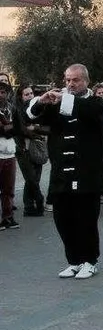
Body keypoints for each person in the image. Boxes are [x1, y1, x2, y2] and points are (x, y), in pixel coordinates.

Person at [26, 64, 103, 278]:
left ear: (86, 81)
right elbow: (32, 117)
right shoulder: (58, 102)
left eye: (76, 80)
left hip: (87, 172)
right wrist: (40, 101)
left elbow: (88, 112)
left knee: (86, 218)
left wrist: (64, 99)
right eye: (68, 80)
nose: (70, 84)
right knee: (62, 217)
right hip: (62, 171)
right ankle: (74, 260)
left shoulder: (96, 103)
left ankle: (90, 260)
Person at [14, 84, 48, 217]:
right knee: (31, 178)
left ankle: (29, 206)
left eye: (31, 94)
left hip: (37, 147)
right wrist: (35, 131)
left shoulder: (37, 109)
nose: (29, 96)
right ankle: (36, 201)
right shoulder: (17, 110)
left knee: (36, 177)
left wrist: (36, 129)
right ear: (21, 96)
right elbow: (22, 130)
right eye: (26, 94)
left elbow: (46, 128)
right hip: (23, 148)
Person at [0, 82, 20, 230]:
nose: (1, 95)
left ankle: (7, 217)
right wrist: (11, 127)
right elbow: (5, 130)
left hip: (10, 153)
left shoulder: (12, 109)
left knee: (8, 189)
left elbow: (17, 128)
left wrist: (9, 126)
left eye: (3, 92)